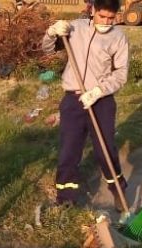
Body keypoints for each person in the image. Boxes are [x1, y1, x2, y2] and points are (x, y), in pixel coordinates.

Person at [41, 0, 129, 209]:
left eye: (111, 18)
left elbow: (121, 74)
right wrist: (52, 32)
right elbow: (47, 49)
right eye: (102, 16)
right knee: (69, 150)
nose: (106, 22)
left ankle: (118, 191)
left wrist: (99, 91)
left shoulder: (118, 38)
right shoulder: (74, 28)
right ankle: (66, 199)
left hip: (102, 101)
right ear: (92, 10)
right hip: (73, 99)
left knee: (105, 150)